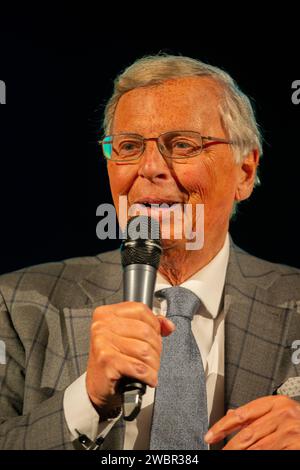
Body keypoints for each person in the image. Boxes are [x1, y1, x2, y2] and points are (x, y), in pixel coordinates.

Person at [1, 54, 300, 450]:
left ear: (244, 172)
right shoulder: (16, 303)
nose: (150, 168)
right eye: (129, 146)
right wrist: (86, 402)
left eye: (182, 144)